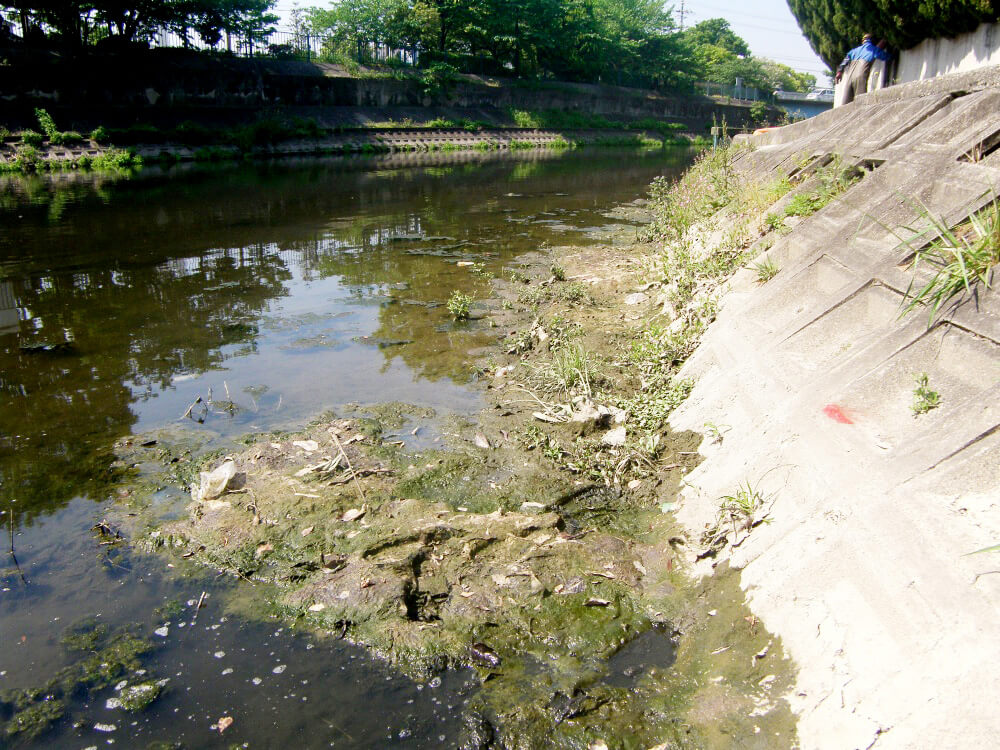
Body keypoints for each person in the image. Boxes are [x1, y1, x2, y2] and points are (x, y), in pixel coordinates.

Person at [835, 34, 893, 106]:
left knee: (845, 104)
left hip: (849, 77)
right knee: (860, 102)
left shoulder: (854, 51)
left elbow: (845, 61)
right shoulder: (874, 49)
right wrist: (892, 54)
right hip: (860, 76)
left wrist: (839, 72)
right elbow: (886, 57)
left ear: (863, 41)